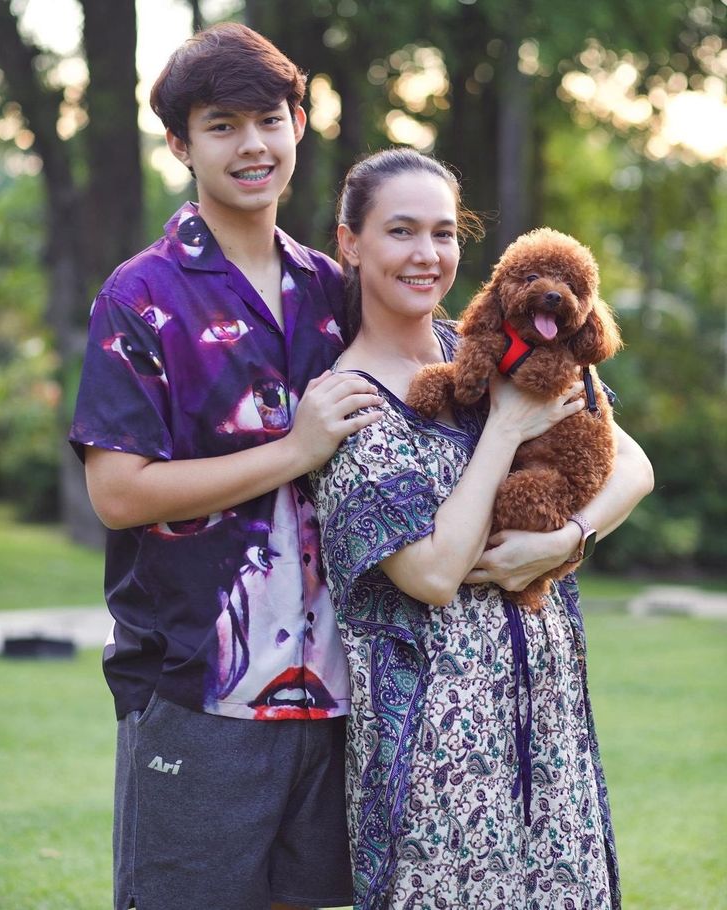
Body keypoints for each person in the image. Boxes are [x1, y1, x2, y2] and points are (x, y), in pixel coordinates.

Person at [69, 22, 384, 910]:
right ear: (181, 145)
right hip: (197, 689)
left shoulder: (335, 291)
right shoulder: (140, 296)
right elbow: (117, 493)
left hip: (337, 692)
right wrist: (294, 451)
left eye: (269, 120)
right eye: (222, 125)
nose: (252, 145)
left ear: (298, 125)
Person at [310, 147, 654, 910]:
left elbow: (633, 466)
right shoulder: (348, 404)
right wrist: (503, 429)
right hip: (438, 744)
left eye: (443, 233)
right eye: (401, 231)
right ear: (351, 243)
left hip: (547, 712)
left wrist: (568, 539)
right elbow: (432, 575)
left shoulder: (496, 345)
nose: (427, 254)